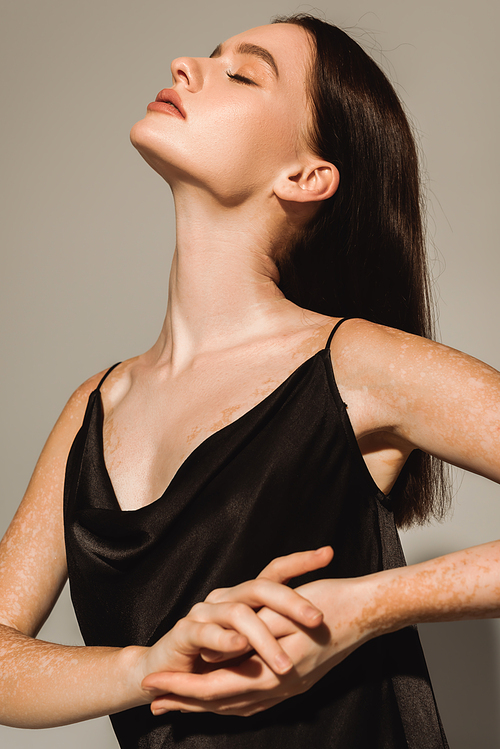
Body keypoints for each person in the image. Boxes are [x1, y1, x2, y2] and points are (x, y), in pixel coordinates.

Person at [0, 11, 498, 749]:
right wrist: (149, 666)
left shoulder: (353, 363)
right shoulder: (93, 409)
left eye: (242, 72)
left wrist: (358, 610)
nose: (184, 66)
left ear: (305, 174)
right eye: (208, 56)